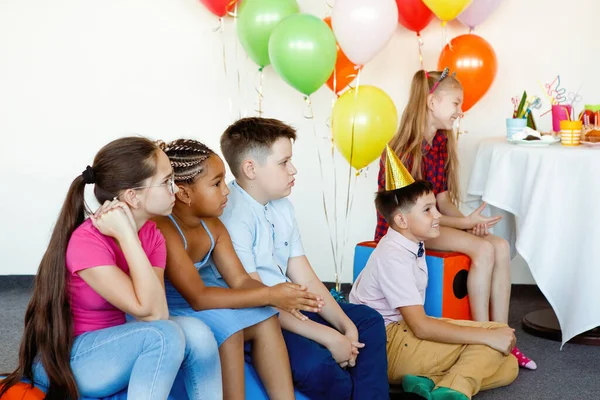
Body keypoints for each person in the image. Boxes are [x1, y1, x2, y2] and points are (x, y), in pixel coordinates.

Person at [0, 137, 221, 400]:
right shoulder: (87, 241)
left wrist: (131, 237)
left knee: (199, 333)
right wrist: (127, 238)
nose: (175, 189)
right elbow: (153, 318)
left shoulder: (151, 235)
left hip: (119, 343)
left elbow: (155, 311)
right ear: (132, 196)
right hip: (72, 359)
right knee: (163, 336)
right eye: (166, 182)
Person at [219, 117, 389, 400]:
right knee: (317, 366)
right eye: (284, 162)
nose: (293, 169)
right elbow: (258, 299)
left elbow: (305, 276)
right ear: (251, 169)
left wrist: (346, 325)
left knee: (368, 321)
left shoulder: (282, 206)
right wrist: (329, 336)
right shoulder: (234, 217)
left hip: (294, 304)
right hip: (264, 316)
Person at [375, 69, 535, 369]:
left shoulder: (440, 143)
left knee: (499, 246)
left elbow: (442, 200)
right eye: (457, 104)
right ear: (432, 102)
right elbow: (416, 217)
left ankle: (503, 335)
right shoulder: (404, 151)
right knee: (484, 249)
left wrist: (469, 222)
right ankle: (483, 336)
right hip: (411, 232)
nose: (461, 112)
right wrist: (463, 226)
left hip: (432, 225)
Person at [155, 139, 324, 400]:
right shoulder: (165, 229)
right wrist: (269, 295)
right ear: (184, 193)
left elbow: (240, 280)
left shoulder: (214, 226)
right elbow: (198, 298)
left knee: (266, 316)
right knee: (231, 328)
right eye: (216, 183)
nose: (227, 190)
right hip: (175, 307)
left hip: (207, 301)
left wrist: (278, 295)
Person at [351, 147, 518, 400]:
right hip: (388, 344)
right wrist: (486, 336)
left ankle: (428, 381)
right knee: (492, 348)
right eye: (428, 210)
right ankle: (453, 389)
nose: (438, 215)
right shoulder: (393, 255)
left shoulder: (411, 243)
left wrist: (491, 334)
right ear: (401, 221)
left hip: (404, 333)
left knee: (508, 364)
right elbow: (420, 327)